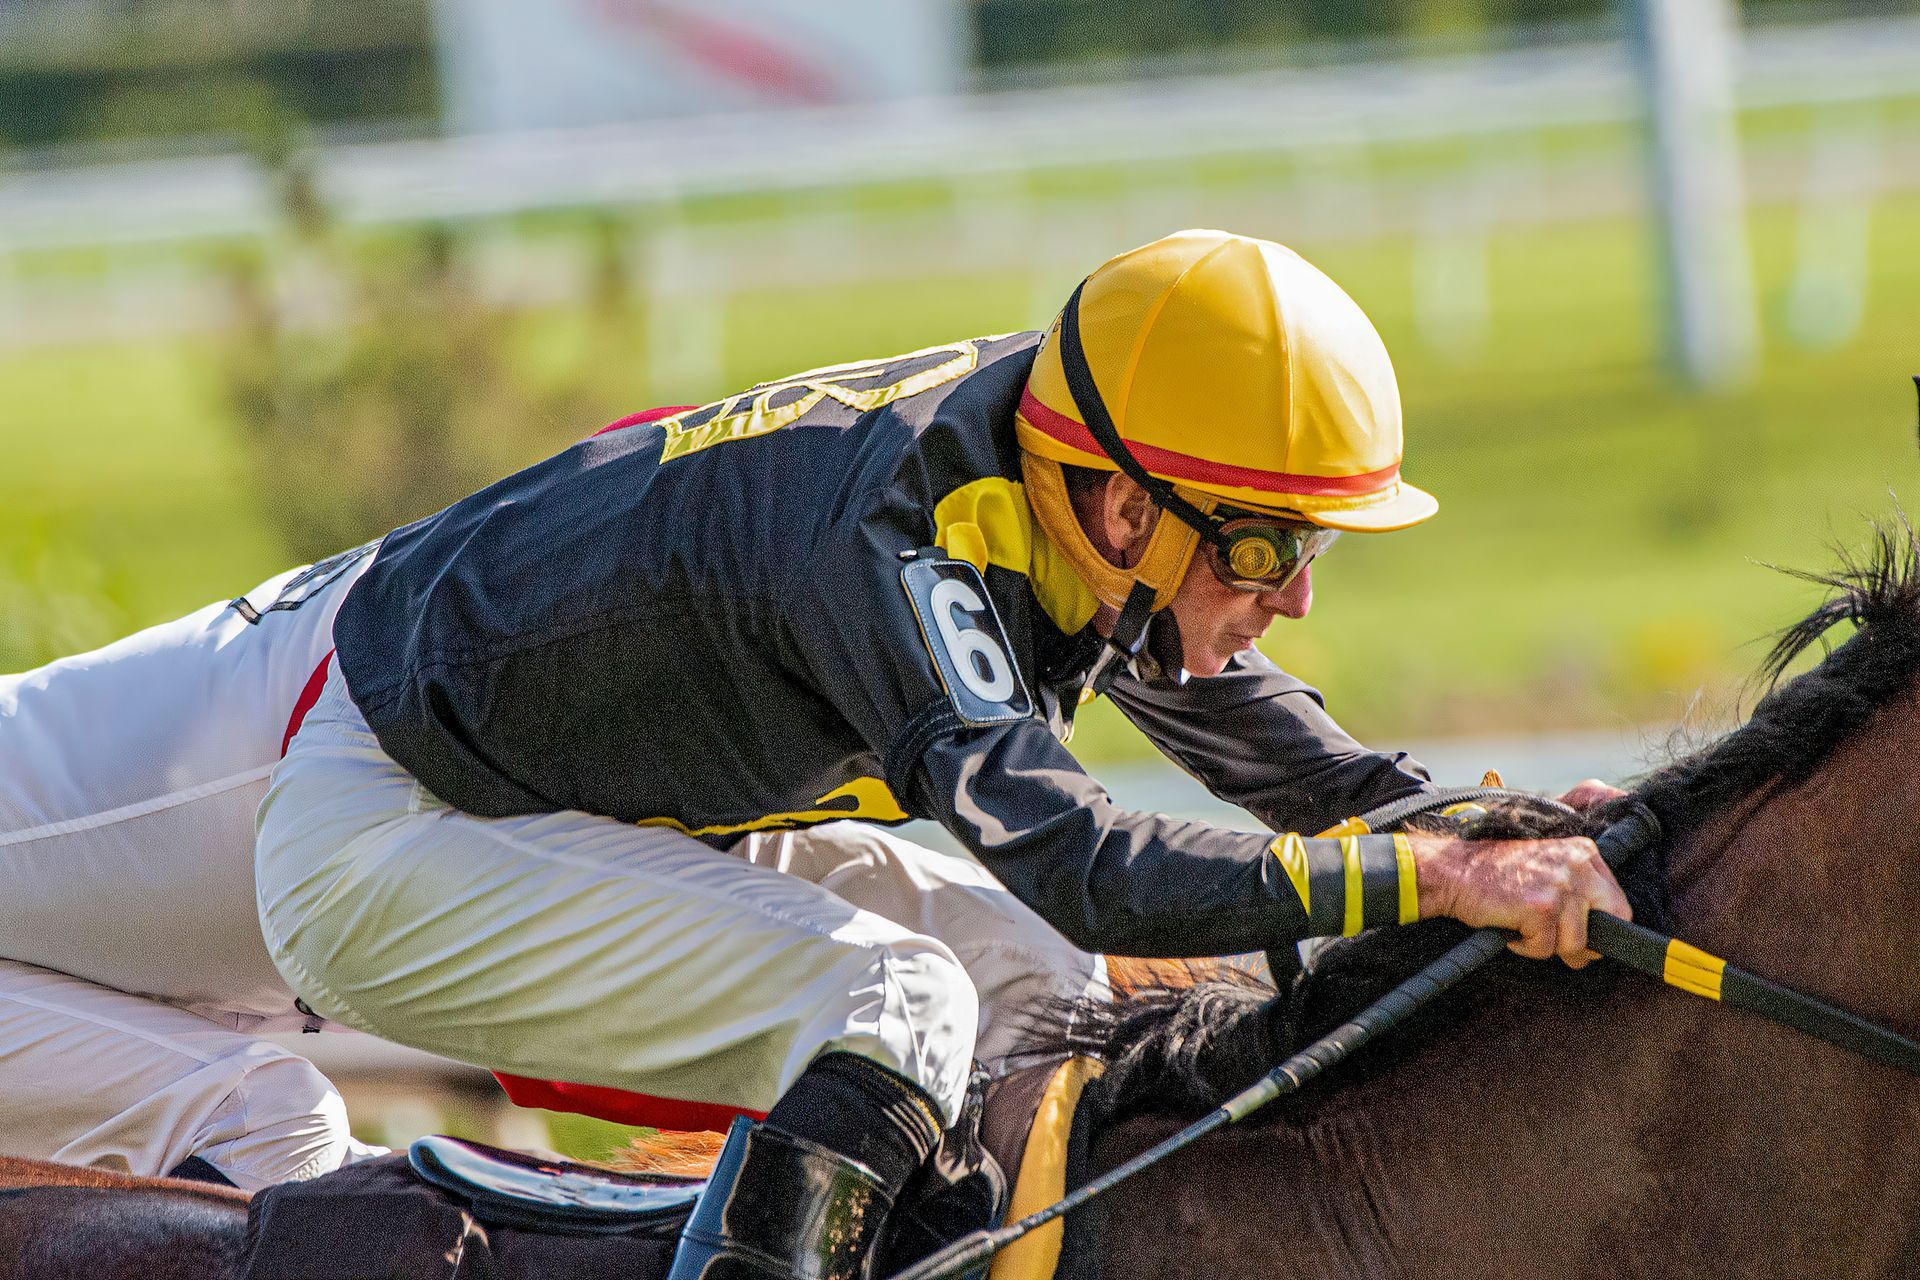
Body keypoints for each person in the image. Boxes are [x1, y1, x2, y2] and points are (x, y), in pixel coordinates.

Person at [0, 229, 1629, 1274]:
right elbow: (1092, 857)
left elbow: (1263, 747)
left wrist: (1522, 826)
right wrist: (1434, 871)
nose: (1290, 598)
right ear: (1128, 502)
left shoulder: (1065, 477)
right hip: (379, 827)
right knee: (904, 997)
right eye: (1269, 551)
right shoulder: (900, 541)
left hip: (457, 779)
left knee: (1010, 966)